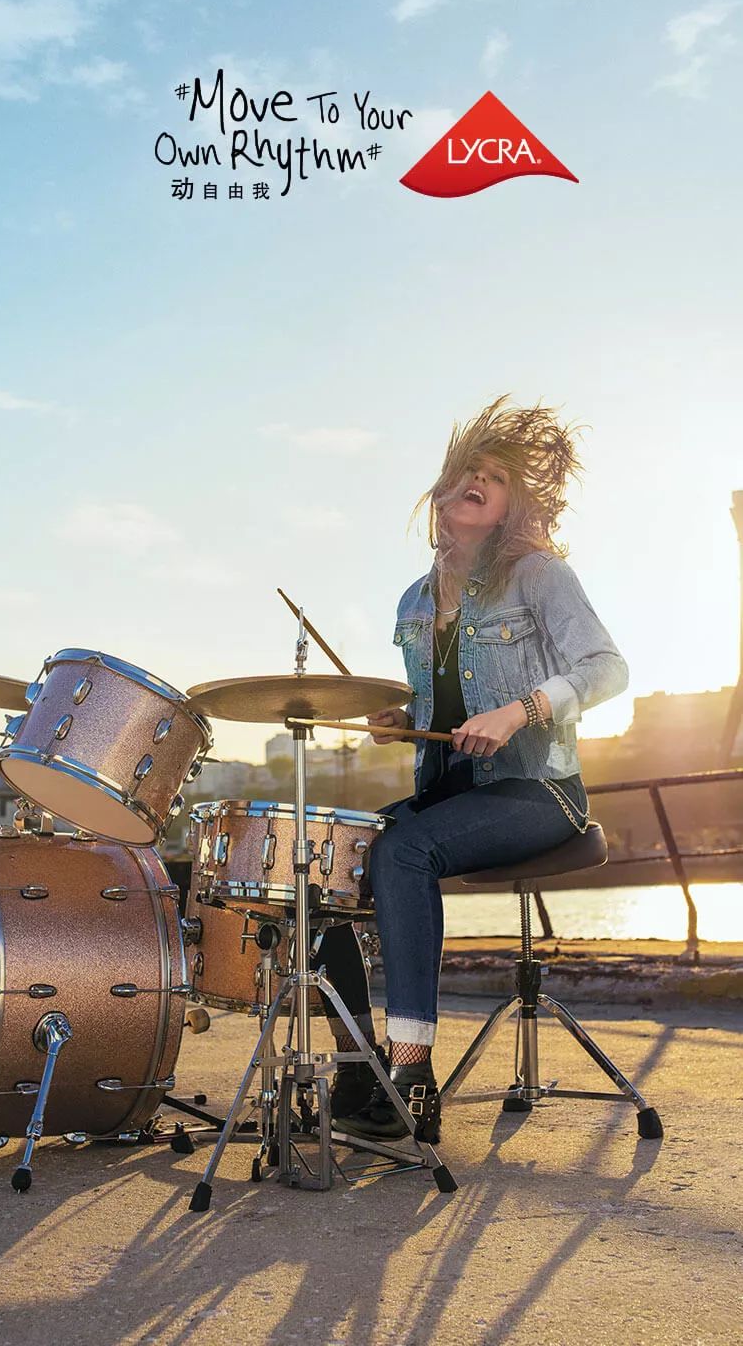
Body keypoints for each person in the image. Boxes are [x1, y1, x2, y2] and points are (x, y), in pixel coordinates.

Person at [315, 394, 629, 1142]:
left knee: (405, 846)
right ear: (442, 491)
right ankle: (360, 1068)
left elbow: (608, 669)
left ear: (511, 503)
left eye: (494, 475)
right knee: (326, 861)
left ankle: (413, 1073)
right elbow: (442, 707)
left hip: (537, 791)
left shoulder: (539, 576)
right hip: (451, 794)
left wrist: (520, 710)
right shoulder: (414, 601)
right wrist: (405, 724)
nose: (476, 481)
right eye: (466, 470)